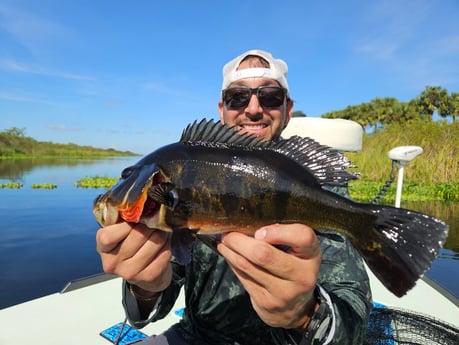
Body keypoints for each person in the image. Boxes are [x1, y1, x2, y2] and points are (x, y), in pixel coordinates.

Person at [96, 49, 372, 345]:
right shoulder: (170, 188)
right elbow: (150, 306)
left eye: (269, 96)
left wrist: (304, 314)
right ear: (222, 108)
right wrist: (145, 287)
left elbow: (353, 315)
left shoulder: (318, 188)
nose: (253, 108)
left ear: (288, 108)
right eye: (238, 97)